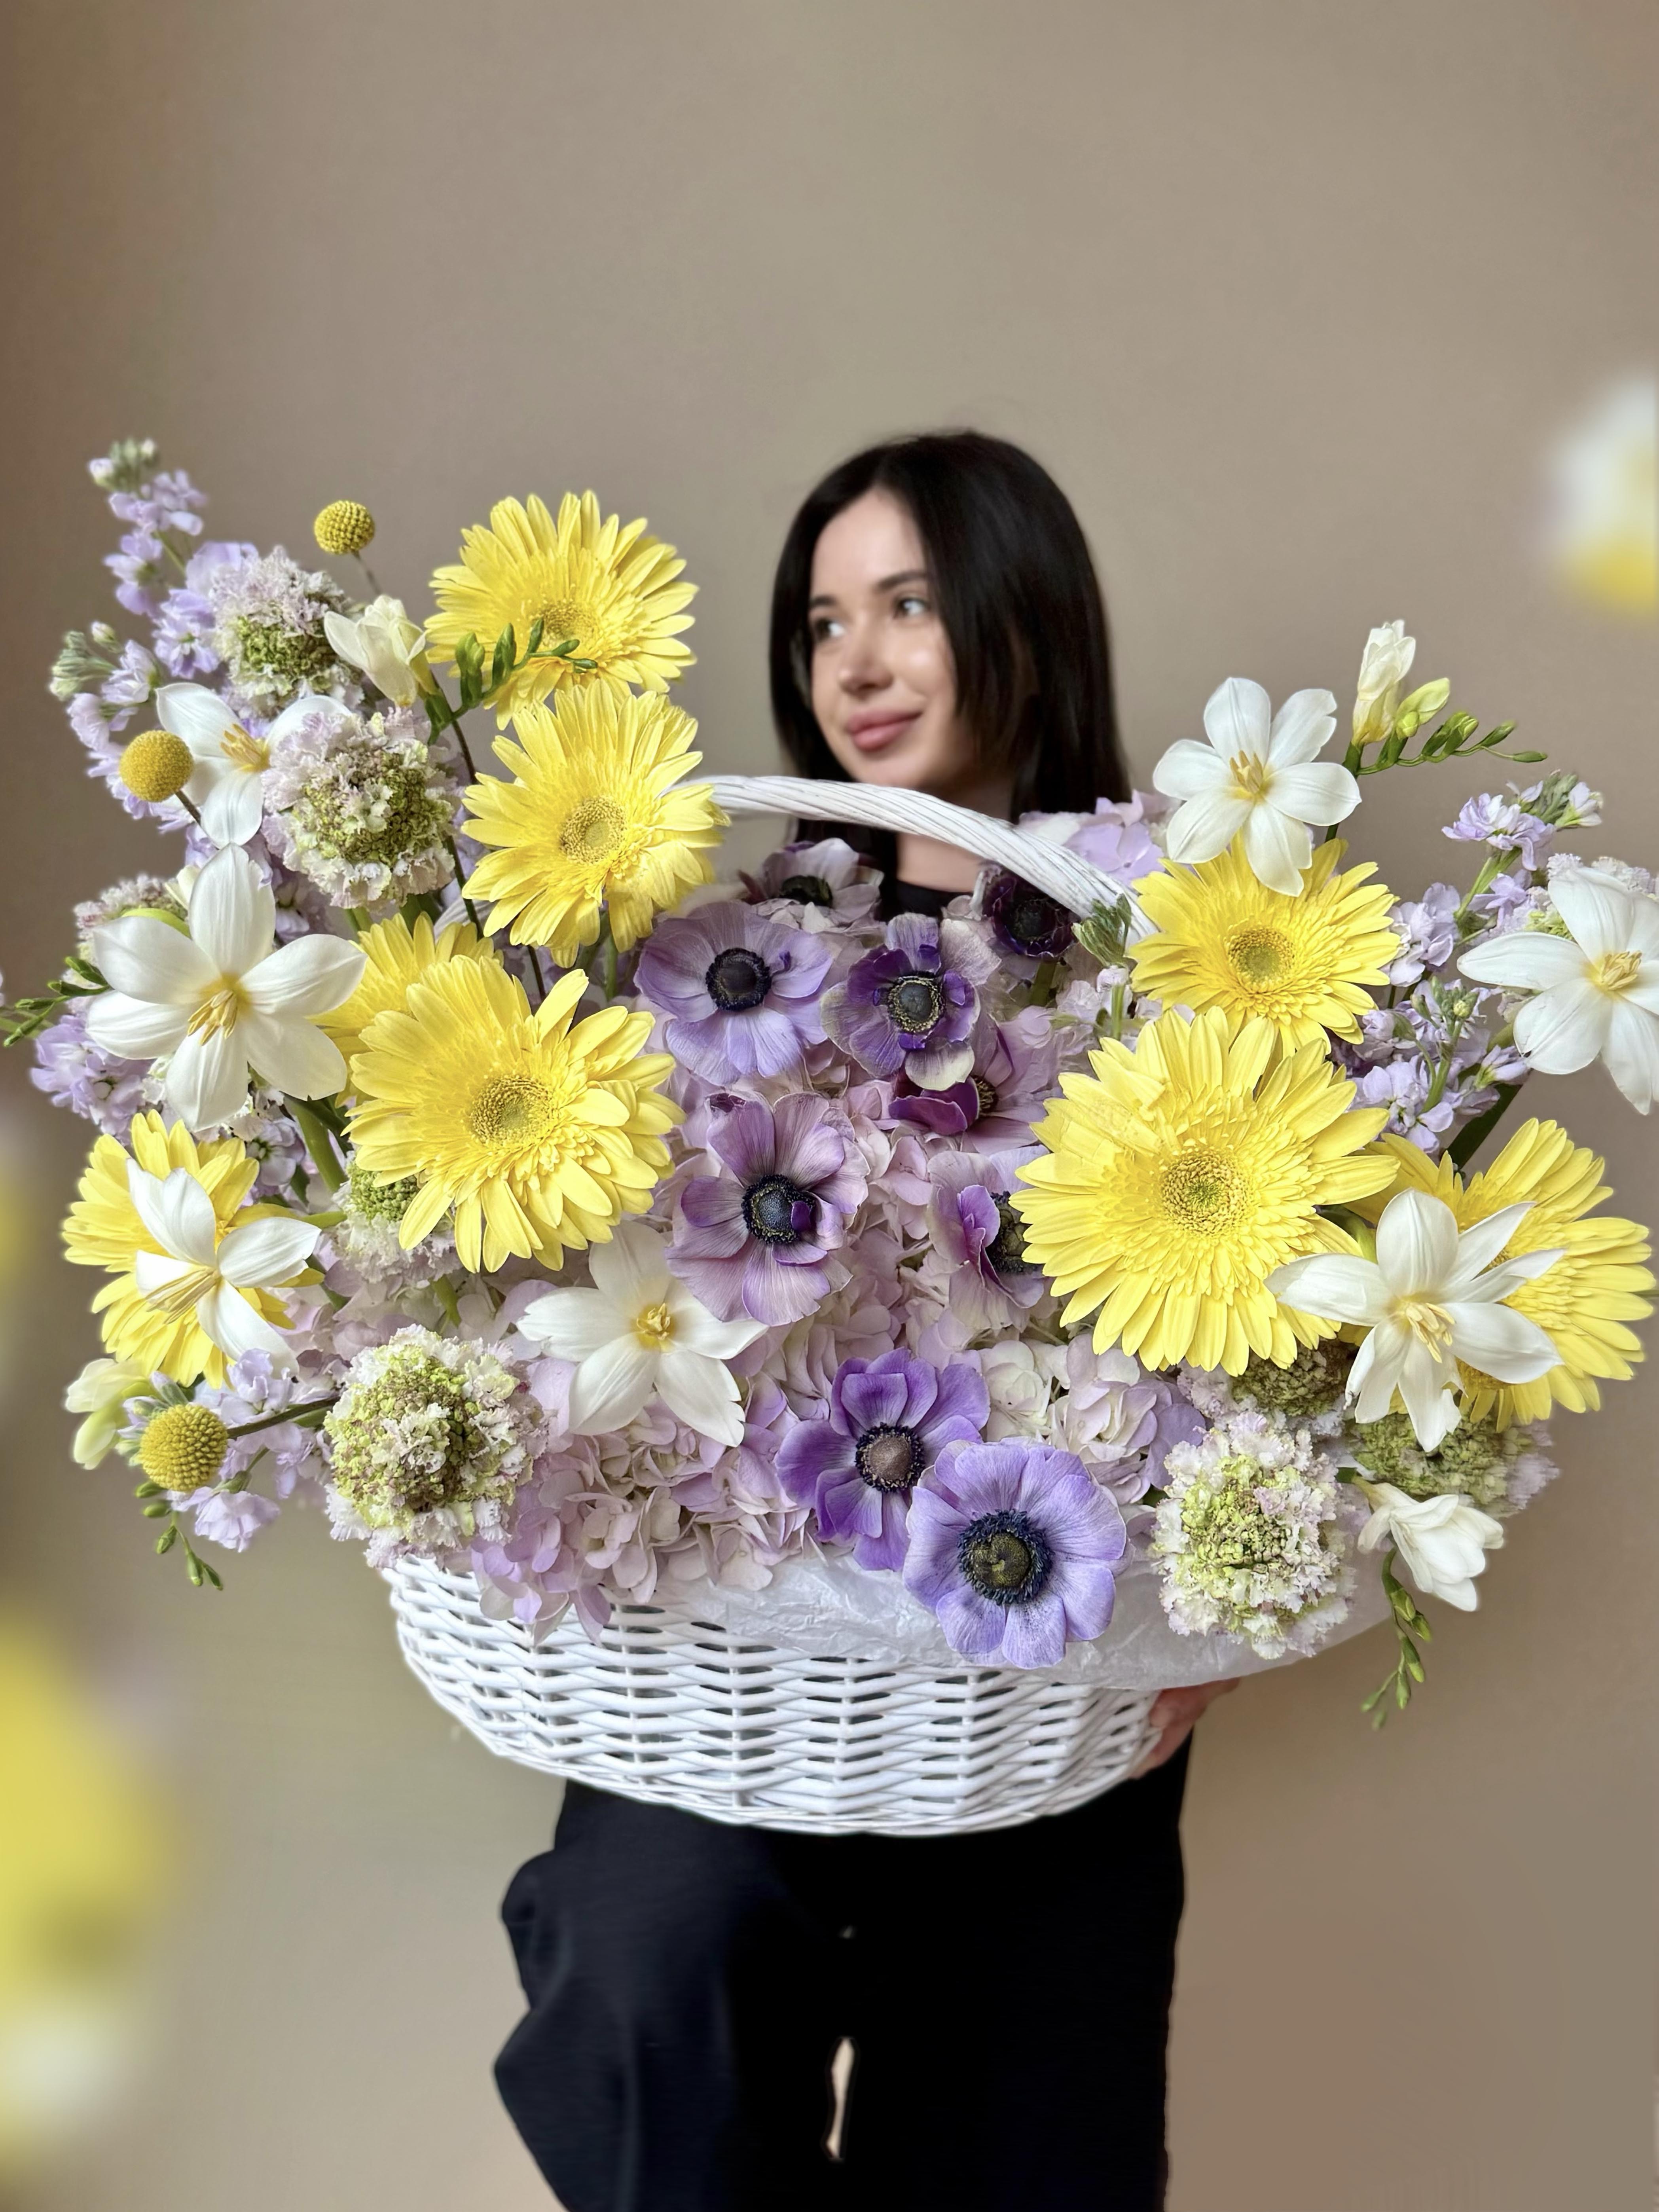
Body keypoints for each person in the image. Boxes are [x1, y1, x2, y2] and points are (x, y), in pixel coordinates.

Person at [494, 432, 1236, 2212]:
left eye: (909, 604)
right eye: (822, 620)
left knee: (1022, 2131)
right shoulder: (716, 949)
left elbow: (1259, 1304)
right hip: (738, 1657)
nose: (858, 663)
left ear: (1027, 627)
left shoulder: (1166, 947)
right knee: (640, 1967)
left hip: (1035, 1680)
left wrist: (1229, 1584)